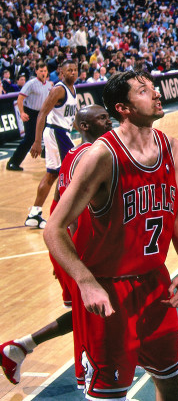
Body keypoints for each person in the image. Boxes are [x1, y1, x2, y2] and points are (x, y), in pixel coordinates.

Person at [43, 71, 178, 400]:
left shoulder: (171, 147)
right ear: (122, 108)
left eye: (154, 88)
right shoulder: (102, 156)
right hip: (109, 291)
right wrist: (84, 282)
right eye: (144, 91)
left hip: (156, 284)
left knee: (172, 385)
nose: (156, 94)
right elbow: (53, 229)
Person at [1, 105, 112, 387]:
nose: (108, 120)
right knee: (93, 311)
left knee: (88, 311)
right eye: (101, 117)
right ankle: (92, 377)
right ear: (85, 126)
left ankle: (20, 348)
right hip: (76, 247)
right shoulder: (90, 155)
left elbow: (62, 200)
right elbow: (68, 215)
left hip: (70, 245)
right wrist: (72, 262)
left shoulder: (76, 153)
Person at [24, 59, 79, 228]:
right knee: (73, 171)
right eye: (69, 70)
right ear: (61, 73)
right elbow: (41, 114)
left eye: (75, 70)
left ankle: (35, 214)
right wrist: (37, 141)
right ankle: (65, 213)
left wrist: (84, 131)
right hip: (55, 132)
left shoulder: (73, 89)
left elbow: (71, 117)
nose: (73, 73)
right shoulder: (58, 90)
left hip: (63, 132)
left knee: (53, 174)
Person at [6, 62, 52, 171]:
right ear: (36, 71)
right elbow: (20, 98)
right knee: (29, 138)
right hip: (30, 113)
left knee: (49, 133)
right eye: (41, 71)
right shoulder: (31, 83)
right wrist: (22, 112)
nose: (43, 73)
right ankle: (13, 162)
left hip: (42, 113)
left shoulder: (49, 85)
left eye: (45, 71)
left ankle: (45, 153)